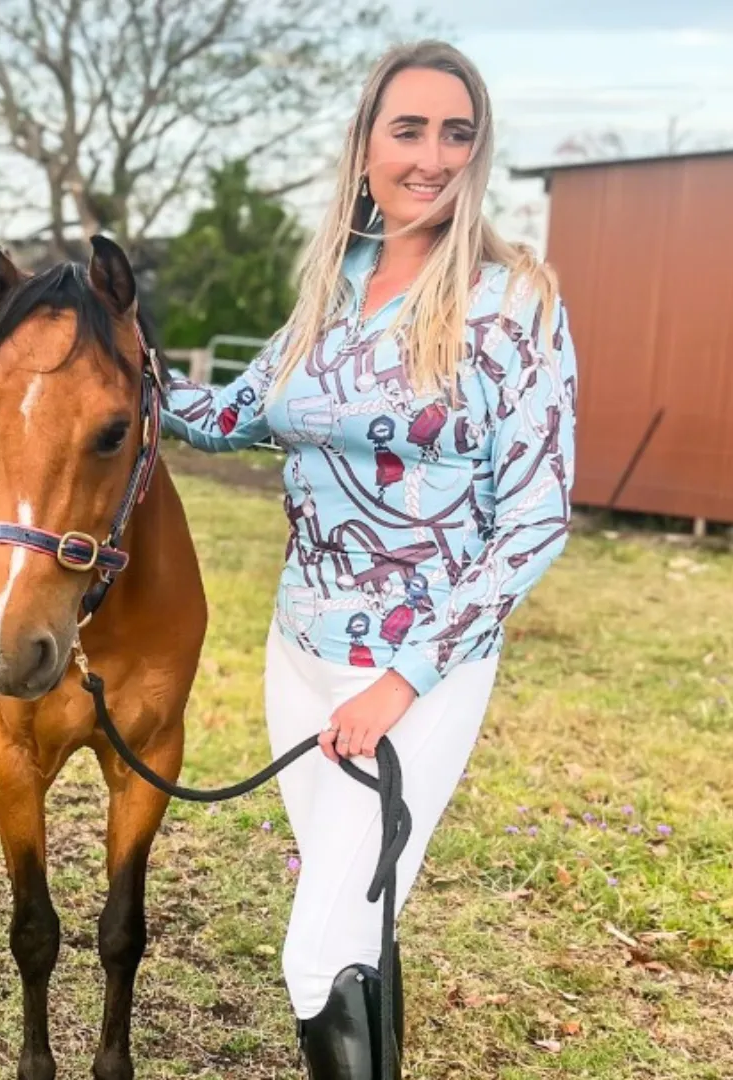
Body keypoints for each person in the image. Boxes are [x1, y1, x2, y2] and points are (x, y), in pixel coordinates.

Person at [161, 40, 577, 1080]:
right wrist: (106, 355)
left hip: (416, 674)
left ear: (477, 154)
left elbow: (534, 518)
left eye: (456, 132)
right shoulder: (331, 289)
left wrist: (400, 685)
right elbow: (231, 413)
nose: (432, 155)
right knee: (360, 921)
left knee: (316, 951)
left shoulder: (511, 304)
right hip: (298, 654)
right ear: (364, 148)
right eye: (409, 129)